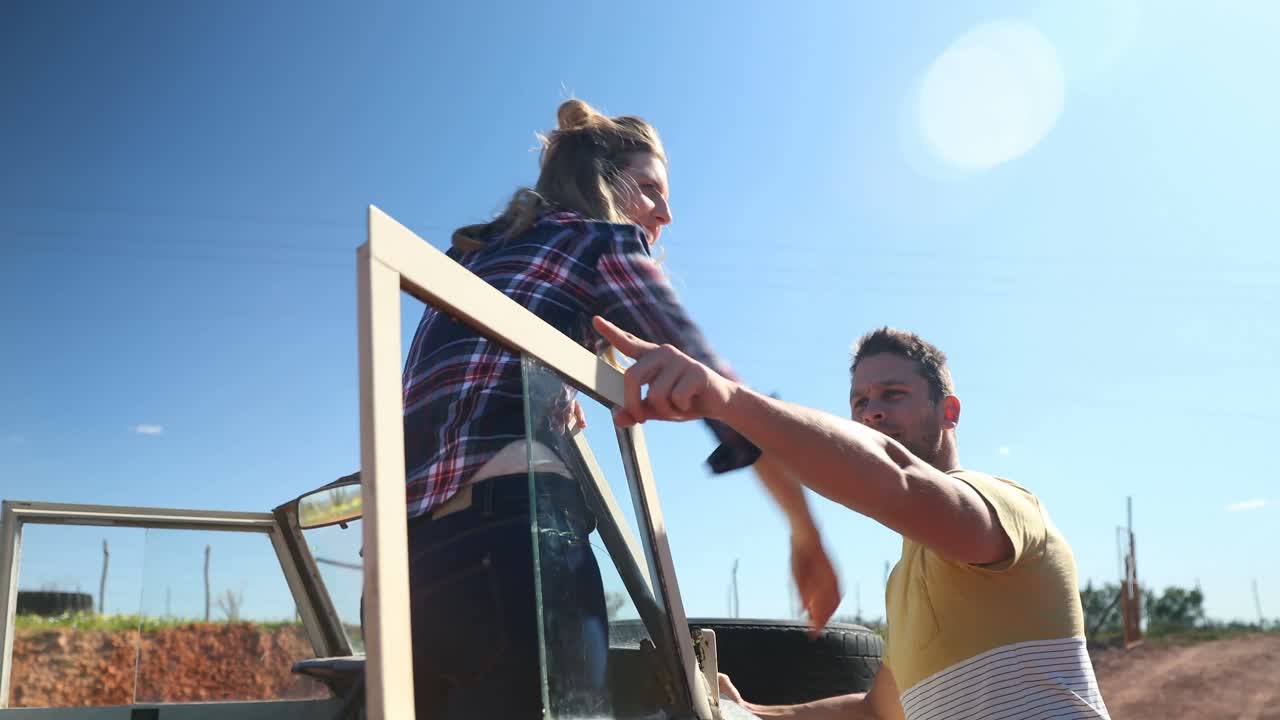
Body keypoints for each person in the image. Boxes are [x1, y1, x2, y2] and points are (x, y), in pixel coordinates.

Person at [399, 99, 835, 719]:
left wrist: (553, 396)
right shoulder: (598, 240)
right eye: (652, 190)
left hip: (409, 568)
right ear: (606, 182)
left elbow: (464, 390)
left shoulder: (471, 257)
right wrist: (805, 529)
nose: (667, 212)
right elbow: (714, 386)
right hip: (513, 551)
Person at [590, 318, 1111, 720]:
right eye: (860, 402)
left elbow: (898, 479)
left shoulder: (1006, 506)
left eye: (894, 395)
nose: (872, 413)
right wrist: (749, 712)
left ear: (948, 411)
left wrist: (727, 401)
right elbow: (874, 711)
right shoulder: (903, 582)